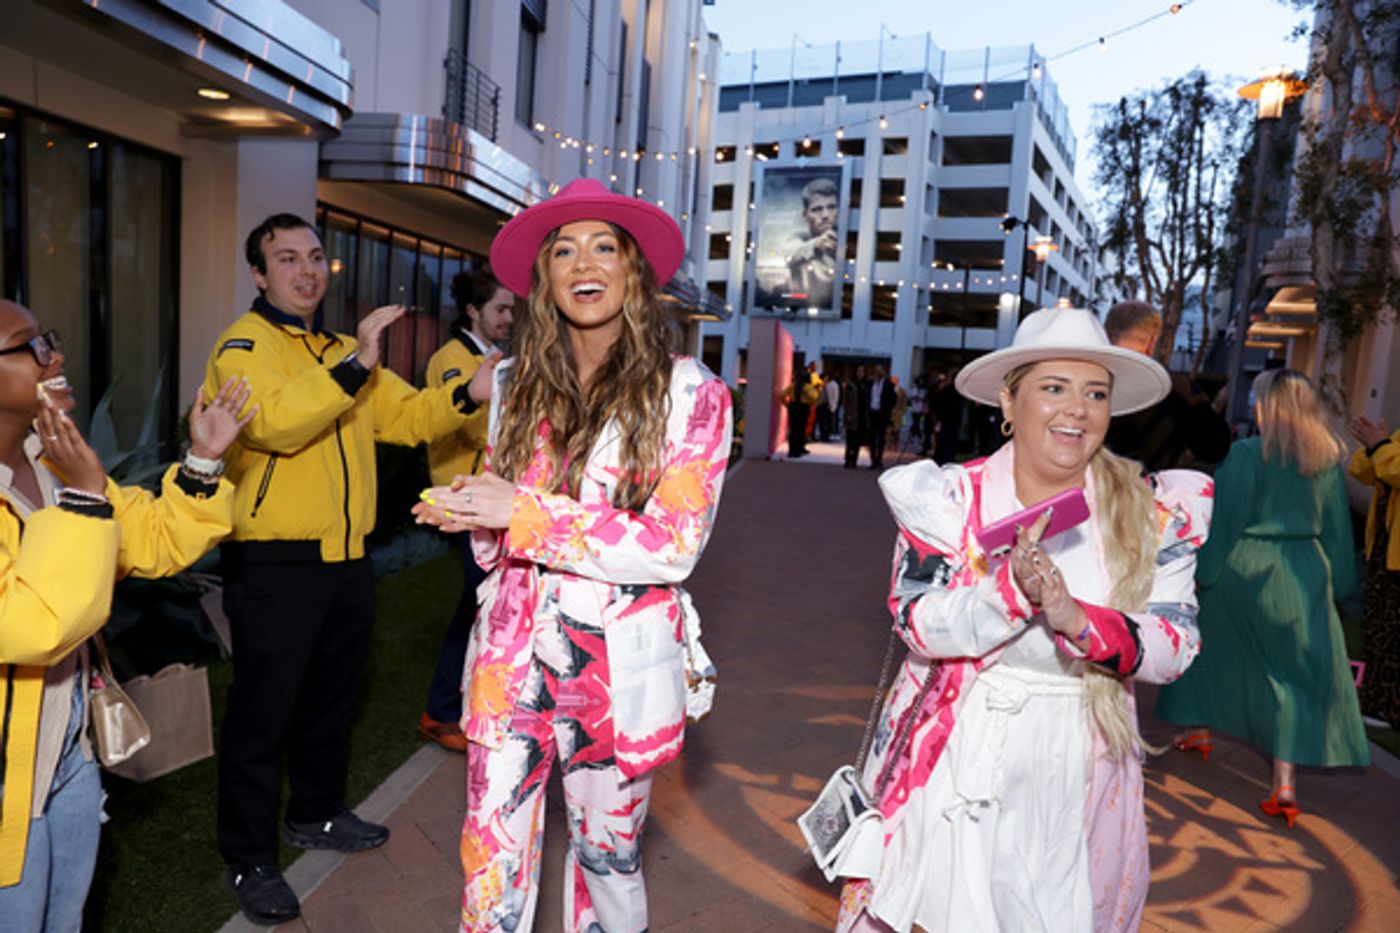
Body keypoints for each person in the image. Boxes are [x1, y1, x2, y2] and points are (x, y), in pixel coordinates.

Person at [411, 178, 732, 933]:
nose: (582, 263)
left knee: (607, 866)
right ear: (544, 279)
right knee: (488, 862)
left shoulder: (693, 393)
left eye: (603, 246)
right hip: (509, 654)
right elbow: (503, 524)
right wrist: (472, 515)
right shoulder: (516, 384)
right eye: (562, 249)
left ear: (633, 271)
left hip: (615, 668)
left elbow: (672, 543)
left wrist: (520, 512)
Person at [835, 306, 1211, 933]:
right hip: (955, 747)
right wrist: (1009, 593)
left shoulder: (1152, 510)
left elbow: (1178, 646)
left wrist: (1076, 618)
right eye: (1054, 388)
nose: (1078, 409)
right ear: (1009, 402)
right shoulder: (949, 499)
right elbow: (916, 618)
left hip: (1080, 762)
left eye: (1095, 393)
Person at [206, 213, 497, 926]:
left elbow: (411, 417)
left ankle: (316, 812)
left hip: (344, 560)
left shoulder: (344, 349)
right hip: (276, 562)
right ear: (259, 274)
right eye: (287, 259)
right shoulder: (244, 347)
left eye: (314, 257)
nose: (306, 271)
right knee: (261, 715)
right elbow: (275, 422)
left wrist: (470, 392)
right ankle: (249, 855)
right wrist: (354, 365)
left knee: (331, 699)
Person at [0, 298, 246, 929]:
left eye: (46, 337)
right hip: (9, 775)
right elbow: (33, 626)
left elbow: (150, 539)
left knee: (65, 919)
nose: (54, 355)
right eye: (29, 345)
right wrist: (84, 503)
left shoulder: (51, 461)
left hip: (72, 751)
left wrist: (203, 462)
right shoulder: (70, 475)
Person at [1156, 369, 1365, 828]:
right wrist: (1339, 583)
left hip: (1245, 569)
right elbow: (1337, 531)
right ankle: (1284, 784)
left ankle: (1199, 729)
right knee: (1289, 676)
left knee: (1211, 653)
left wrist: (1203, 575)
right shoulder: (1326, 460)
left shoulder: (1247, 456)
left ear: (1266, 407)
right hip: (1304, 572)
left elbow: (1225, 522)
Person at [418, 267, 514, 752]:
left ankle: (455, 706)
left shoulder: (493, 359)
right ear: (473, 311)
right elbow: (473, 427)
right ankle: (441, 711)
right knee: (478, 606)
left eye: (512, 309)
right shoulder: (450, 360)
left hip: (487, 501)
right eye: (501, 308)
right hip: (465, 500)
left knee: (482, 604)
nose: (509, 317)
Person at [1103, 301, 1231, 472]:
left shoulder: (1086, 377)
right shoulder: (1176, 388)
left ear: (1107, 335)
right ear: (1153, 341)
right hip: (1146, 492)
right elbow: (1215, 447)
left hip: (1081, 491)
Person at [1349, 414, 1399, 728]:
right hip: (1384, 552)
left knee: (1394, 635)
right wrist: (1374, 445)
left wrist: (1380, 445)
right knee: (1379, 629)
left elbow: (1393, 469)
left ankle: (1389, 708)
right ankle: (1374, 700)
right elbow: (1362, 470)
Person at [783, 178, 839, 308]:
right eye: (817, 209)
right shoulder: (798, 238)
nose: (825, 215)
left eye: (831, 207)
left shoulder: (845, 241)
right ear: (805, 215)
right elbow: (790, 253)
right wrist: (816, 244)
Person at [867, 364, 895, 470]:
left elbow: (893, 400)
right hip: (872, 412)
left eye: (880, 371)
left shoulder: (888, 385)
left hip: (882, 414)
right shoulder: (870, 384)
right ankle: (873, 459)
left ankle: (879, 459)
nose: (877, 373)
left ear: (883, 372)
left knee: (881, 438)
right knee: (872, 438)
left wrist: (887, 410)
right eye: (876, 371)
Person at [843, 366, 870, 469]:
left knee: (858, 440)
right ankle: (847, 459)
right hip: (852, 415)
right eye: (859, 371)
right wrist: (847, 415)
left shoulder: (866, 386)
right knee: (850, 439)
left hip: (862, 416)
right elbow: (846, 402)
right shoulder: (850, 385)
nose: (861, 373)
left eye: (863, 371)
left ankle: (854, 460)